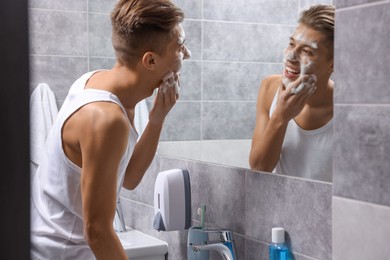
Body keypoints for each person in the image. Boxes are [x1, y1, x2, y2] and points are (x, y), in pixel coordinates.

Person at [30, 0, 191, 259]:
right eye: (180, 47)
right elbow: (97, 231)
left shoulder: (97, 83)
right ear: (150, 60)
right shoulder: (106, 119)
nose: (187, 54)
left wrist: (157, 118)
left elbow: (129, 178)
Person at [249, 4, 334, 182]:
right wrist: (281, 116)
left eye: (306, 51)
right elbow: (259, 168)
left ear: (332, 64)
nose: (290, 56)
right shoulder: (269, 88)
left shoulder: (347, 109)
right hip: (283, 206)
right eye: (291, 44)